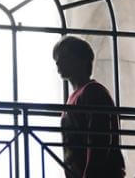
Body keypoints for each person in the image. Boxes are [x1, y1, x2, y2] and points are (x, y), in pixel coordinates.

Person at [53, 36, 126, 178]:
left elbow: (99, 140)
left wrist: (90, 174)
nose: (58, 62)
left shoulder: (92, 92)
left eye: (64, 57)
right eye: (57, 58)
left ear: (81, 60)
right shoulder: (83, 94)